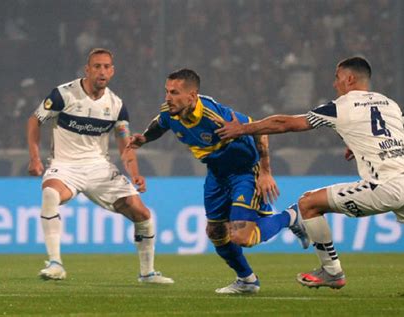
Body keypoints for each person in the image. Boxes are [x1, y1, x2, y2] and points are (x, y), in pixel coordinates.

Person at [216, 56, 404, 289]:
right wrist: (359, 145)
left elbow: (285, 124)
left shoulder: (340, 107)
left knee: (308, 204)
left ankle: (332, 272)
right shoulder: (389, 104)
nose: (335, 84)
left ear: (349, 78)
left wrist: (242, 129)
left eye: (337, 78)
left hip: (386, 185)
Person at [128, 68, 309, 294]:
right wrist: (144, 138)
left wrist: (265, 172)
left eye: (174, 92)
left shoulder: (214, 116)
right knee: (215, 232)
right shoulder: (170, 112)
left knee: (242, 237)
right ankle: (247, 280)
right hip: (216, 174)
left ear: (192, 96)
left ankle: (291, 217)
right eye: (166, 91)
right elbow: (159, 125)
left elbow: (259, 130)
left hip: (245, 171)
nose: (167, 98)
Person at [27, 48, 173, 284]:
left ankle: (147, 273)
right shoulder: (63, 95)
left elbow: (126, 145)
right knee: (50, 194)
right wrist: (34, 157)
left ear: (112, 71)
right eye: (97, 66)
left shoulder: (116, 106)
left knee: (143, 214)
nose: (101, 71)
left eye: (106, 66)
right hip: (65, 166)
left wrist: (135, 174)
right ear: (87, 70)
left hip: (99, 168)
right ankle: (55, 264)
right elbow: (35, 120)